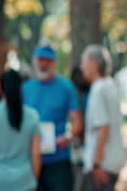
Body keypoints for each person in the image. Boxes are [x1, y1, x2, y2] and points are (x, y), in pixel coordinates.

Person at [22, 45, 83, 191]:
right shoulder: (24, 88)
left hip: (59, 159)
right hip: (31, 159)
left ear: (54, 62)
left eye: (47, 60)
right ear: (34, 61)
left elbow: (77, 122)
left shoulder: (66, 87)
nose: (43, 64)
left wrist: (67, 137)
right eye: (40, 60)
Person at [0, 69, 41, 191]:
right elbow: (36, 154)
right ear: (21, 88)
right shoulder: (32, 116)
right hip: (24, 181)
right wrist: (34, 180)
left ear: (0, 88)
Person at [80, 44, 125, 191]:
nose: (81, 67)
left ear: (94, 63)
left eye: (84, 62)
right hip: (112, 163)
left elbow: (103, 128)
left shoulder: (98, 89)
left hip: (102, 166)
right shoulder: (110, 84)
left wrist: (95, 165)